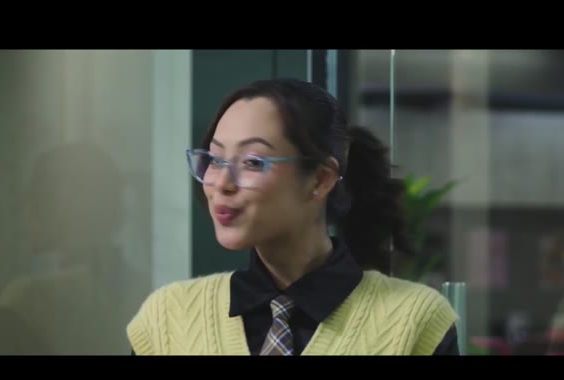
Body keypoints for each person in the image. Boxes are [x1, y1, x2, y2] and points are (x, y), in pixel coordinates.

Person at [126, 78, 459, 355]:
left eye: (253, 162)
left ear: (321, 179)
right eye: (215, 159)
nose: (222, 183)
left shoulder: (414, 321)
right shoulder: (167, 320)